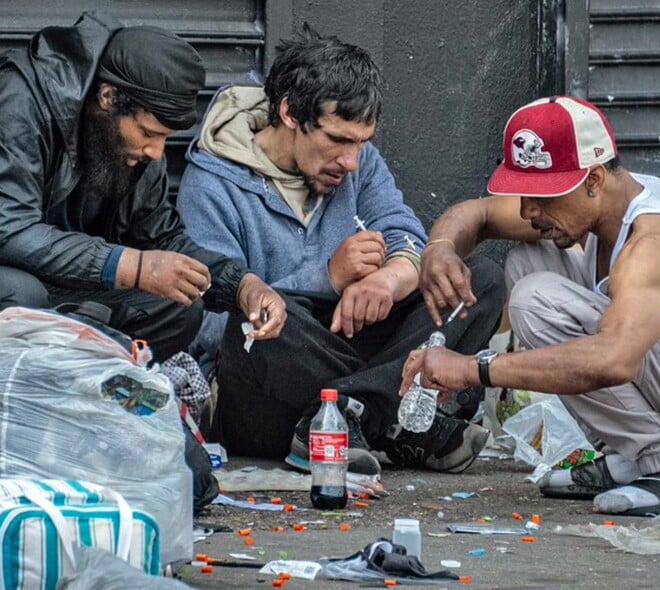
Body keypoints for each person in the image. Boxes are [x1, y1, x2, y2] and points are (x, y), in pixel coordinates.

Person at [0, 11, 285, 438]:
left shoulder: (130, 145)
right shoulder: (17, 99)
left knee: (179, 304)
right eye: (149, 133)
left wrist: (241, 285)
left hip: (49, 282)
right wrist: (133, 266)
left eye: (164, 138)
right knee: (17, 295)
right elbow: (4, 231)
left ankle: (80, 417)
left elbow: (162, 238)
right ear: (108, 98)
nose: (155, 151)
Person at [407, 96, 660, 515]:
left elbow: (615, 361)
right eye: (523, 192)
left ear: (593, 179)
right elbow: (478, 214)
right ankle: (633, 454)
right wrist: (439, 249)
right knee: (527, 259)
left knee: (537, 300)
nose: (527, 209)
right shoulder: (601, 203)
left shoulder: (651, 243)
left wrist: (469, 369)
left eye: (543, 195)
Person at [176, 26, 503, 479]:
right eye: (337, 140)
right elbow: (209, 325)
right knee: (251, 321)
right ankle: (395, 417)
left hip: (330, 374)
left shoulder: (359, 164)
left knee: (477, 280)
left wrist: (386, 279)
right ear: (290, 113)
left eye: (360, 142)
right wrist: (326, 278)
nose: (350, 161)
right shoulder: (211, 185)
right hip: (266, 396)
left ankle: (358, 411)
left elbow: (406, 234)